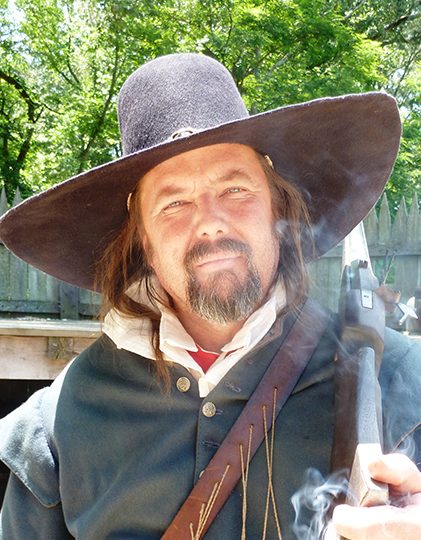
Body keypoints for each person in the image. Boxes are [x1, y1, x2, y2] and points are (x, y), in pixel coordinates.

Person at [0, 53, 420, 539]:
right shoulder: (53, 431)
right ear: (141, 240)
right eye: (175, 202)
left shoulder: (398, 385)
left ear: (275, 207)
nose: (210, 221)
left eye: (235, 189)